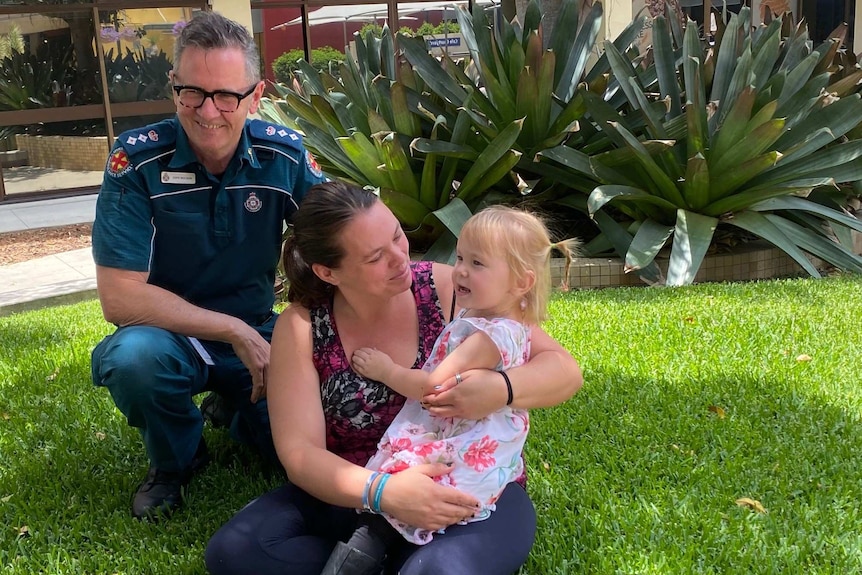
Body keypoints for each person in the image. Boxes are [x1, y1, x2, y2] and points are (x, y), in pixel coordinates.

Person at [205, 181, 583, 575]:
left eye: (397, 236)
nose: (400, 258)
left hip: (465, 488)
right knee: (236, 552)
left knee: (437, 572)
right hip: (358, 491)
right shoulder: (302, 326)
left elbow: (563, 369)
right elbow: (301, 455)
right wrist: (385, 492)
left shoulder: (449, 288)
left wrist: (502, 389)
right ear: (328, 271)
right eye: (375, 257)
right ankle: (386, 559)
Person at [89, 11, 326, 520]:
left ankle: (235, 412)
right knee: (133, 361)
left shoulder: (282, 156)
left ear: (256, 95)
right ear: (174, 87)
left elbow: (342, 238)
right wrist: (234, 331)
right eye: (192, 92)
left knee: (291, 453)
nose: (208, 111)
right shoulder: (135, 164)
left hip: (264, 332)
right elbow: (120, 298)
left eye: (227, 96)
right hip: (169, 336)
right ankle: (177, 458)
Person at [319, 205, 579, 574]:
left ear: (521, 282)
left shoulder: (490, 334)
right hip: (461, 438)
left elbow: (432, 387)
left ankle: (360, 559)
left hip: (461, 443)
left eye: (477, 263)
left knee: (392, 514)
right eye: (459, 257)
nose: (460, 270)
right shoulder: (486, 316)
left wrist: (386, 369)